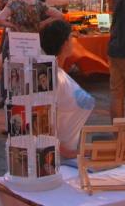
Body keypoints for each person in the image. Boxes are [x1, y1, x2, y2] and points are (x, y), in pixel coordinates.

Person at [0, 0, 62, 108]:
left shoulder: (13, 4)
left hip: (16, 44)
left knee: (14, 79)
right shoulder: (38, 5)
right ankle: (30, 108)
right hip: (32, 44)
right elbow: (59, 15)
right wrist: (43, 23)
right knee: (31, 76)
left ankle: (14, 111)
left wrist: (13, 26)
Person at [40, 20, 95, 158]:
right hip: (57, 159)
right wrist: (69, 153)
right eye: (71, 37)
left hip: (66, 153)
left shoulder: (58, 73)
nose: (73, 40)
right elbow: (40, 125)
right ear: (65, 43)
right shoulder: (51, 78)